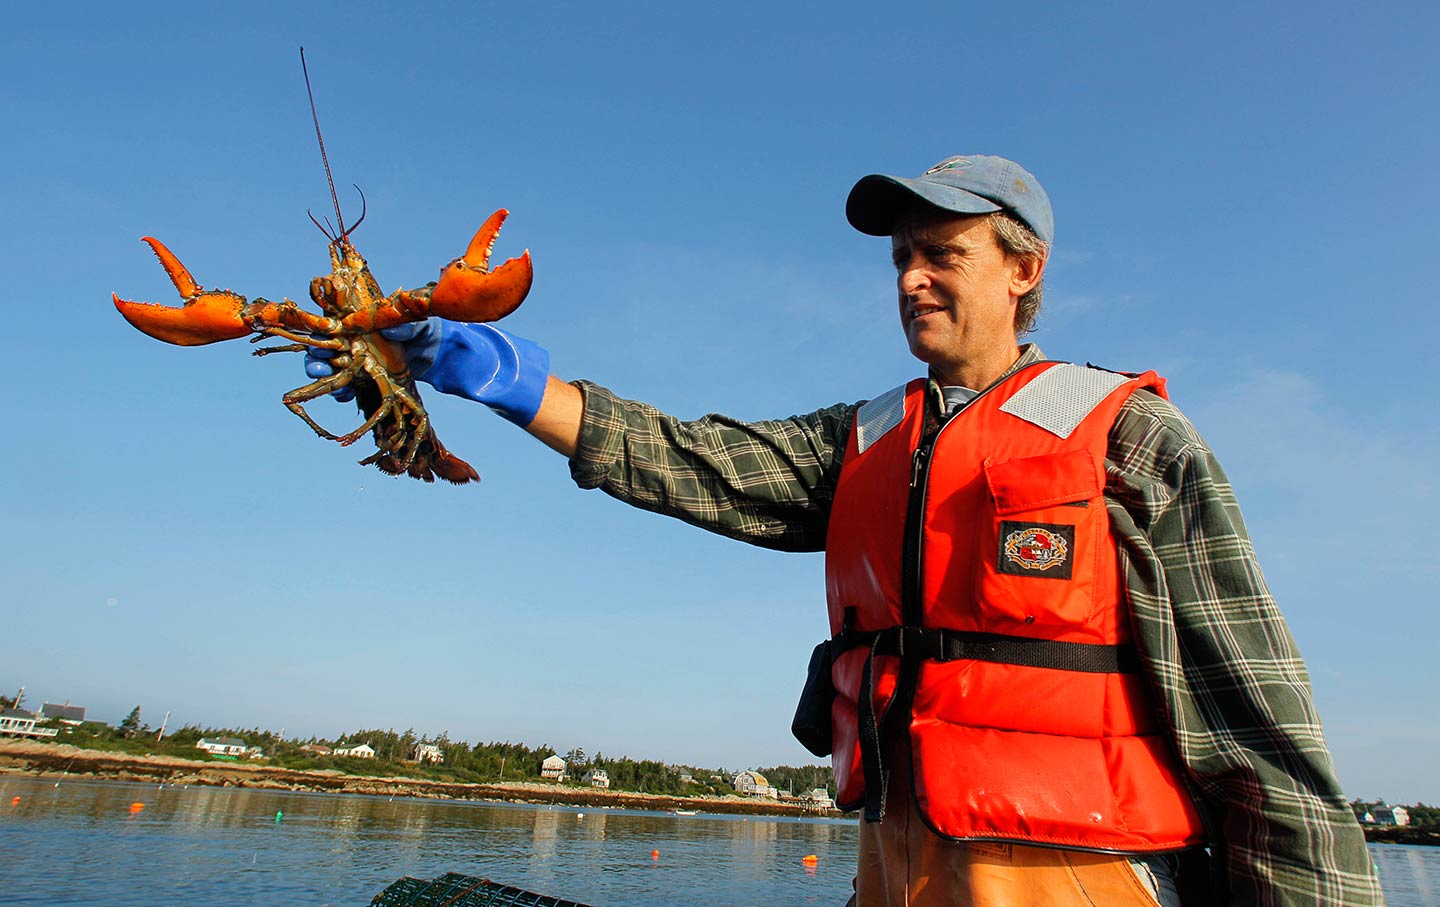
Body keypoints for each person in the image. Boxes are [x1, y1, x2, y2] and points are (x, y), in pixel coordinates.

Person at [308, 155, 1383, 906]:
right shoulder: (861, 438)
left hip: (1076, 884)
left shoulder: (1133, 440)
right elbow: (694, 460)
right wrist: (508, 384)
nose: (910, 277)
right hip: (893, 875)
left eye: (941, 252)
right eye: (900, 257)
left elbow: (1262, 736)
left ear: (1025, 267)